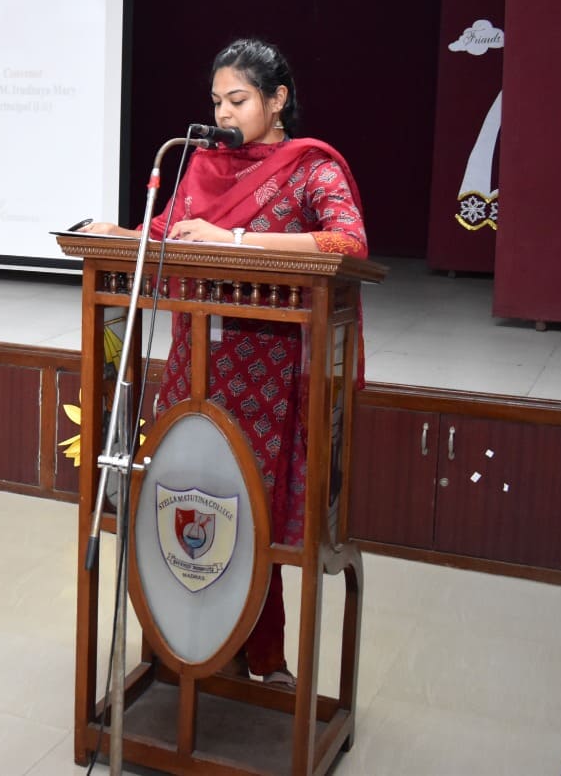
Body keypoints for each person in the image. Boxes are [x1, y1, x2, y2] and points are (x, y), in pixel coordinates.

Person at [87, 37, 366, 689]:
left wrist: (236, 239)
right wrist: (117, 236)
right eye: (216, 101)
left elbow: (348, 242)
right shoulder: (204, 163)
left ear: (277, 99)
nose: (223, 114)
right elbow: (168, 233)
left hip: (270, 368)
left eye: (237, 100)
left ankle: (262, 657)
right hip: (196, 361)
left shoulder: (310, 166)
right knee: (188, 492)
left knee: (251, 506)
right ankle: (183, 645)